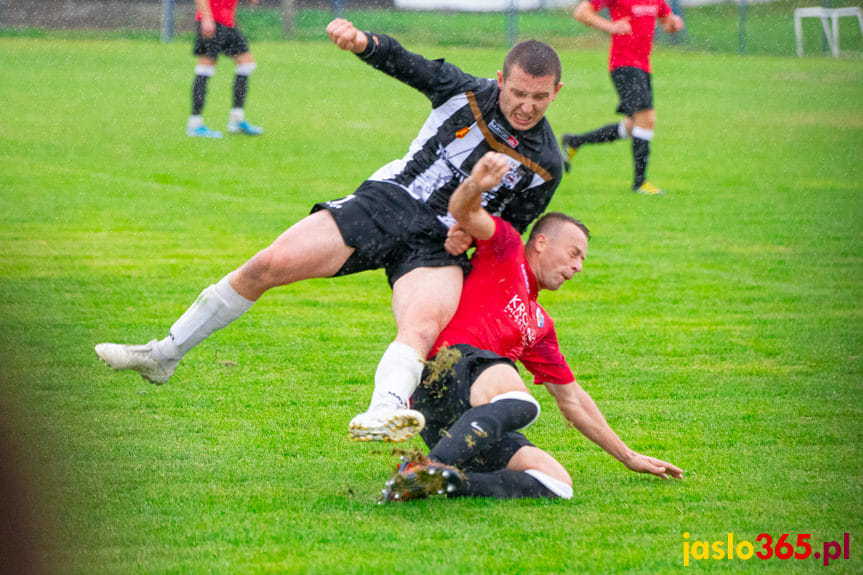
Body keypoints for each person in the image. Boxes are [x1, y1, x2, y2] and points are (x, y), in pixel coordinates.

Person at [95, 19, 565, 444]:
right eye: (518, 93)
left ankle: (387, 409)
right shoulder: (463, 91)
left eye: (539, 97)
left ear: (556, 93)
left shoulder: (546, 165)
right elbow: (407, 64)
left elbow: (507, 231)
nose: (526, 106)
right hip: (389, 202)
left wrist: (470, 232)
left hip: (437, 246)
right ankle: (165, 353)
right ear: (501, 80)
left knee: (422, 325)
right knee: (267, 265)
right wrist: (363, 43)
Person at [379, 152, 682, 502]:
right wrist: (477, 183)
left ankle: (435, 480)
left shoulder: (539, 325)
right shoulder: (506, 250)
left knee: (556, 484)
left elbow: (572, 400)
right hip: (445, 367)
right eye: (574, 253)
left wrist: (628, 456)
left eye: (582, 259)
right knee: (522, 403)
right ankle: (426, 466)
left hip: (462, 422)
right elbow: (464, 212)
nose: (579, 266)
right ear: (541, 242)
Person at [560, 0, 684, 195]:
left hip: (643, 66)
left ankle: (575, 141)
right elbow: (581, 12)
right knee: (647, 119)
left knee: (632, 127)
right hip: (624, 65)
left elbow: (667, 23)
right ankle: (640, 183)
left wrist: (674, 24)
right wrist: (611, 26)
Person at [186, 0, 264, 138]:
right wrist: (207, 17)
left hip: (227, 23)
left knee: (246, 64)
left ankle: (236, 120)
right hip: (212, 21)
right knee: (205, 69)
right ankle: (194, 124)